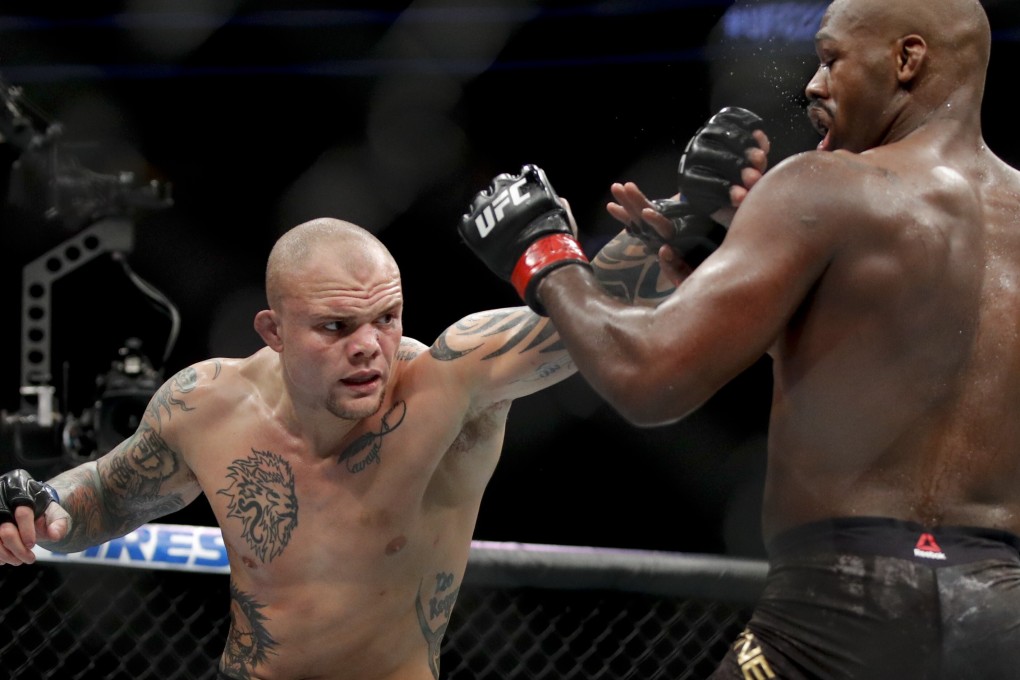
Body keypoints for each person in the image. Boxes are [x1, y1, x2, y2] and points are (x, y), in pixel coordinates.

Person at [456, 0, 1020, 678]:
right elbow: (896, 376)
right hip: (1000, 619)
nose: (813, 84)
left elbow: (648, 378)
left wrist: (543, 253)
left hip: (842, 608)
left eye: (831, 58)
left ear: (906, 59)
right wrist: (714, 276)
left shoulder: (825, 183)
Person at [0, 213, 682, 679]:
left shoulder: (449, 385)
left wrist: (683, 233)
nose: (368, 347)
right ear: (273, 330)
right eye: (335, 326)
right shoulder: (206, 404)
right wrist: (43, 506)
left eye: (387, 317)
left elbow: (588, 314)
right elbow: (108, 494)